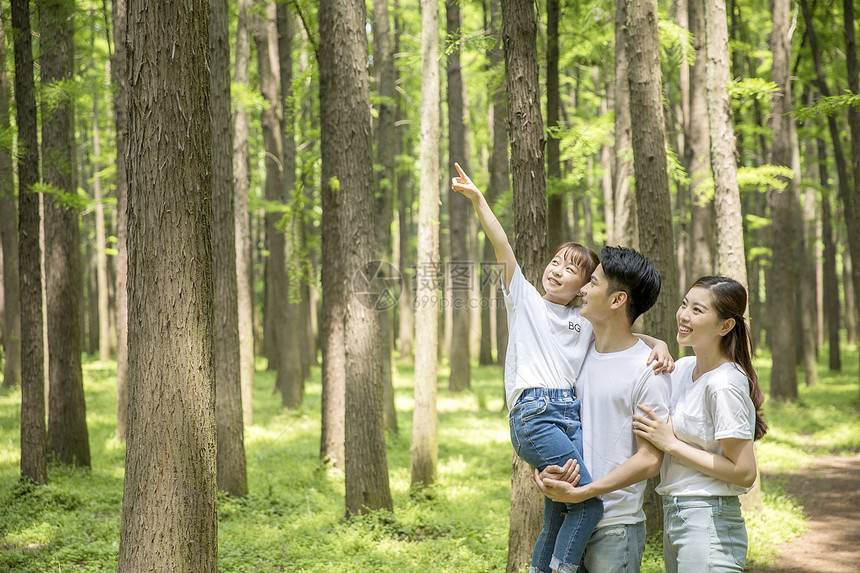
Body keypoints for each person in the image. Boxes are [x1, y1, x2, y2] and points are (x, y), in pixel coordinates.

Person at [451, 164, 672, 573]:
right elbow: (503, 248)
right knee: (585, 504)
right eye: (555, 261)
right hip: (535, 412)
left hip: (565, 415)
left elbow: (625, 338)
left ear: (584, 287)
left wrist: (659, 343)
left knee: (559, 508)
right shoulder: (526, 302)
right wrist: (478, 200)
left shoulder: (583, 323)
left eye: (573, 271)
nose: (557, 270)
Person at [531, 246, 672, 573]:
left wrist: (588, 493)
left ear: (616, 300)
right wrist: (546, 467)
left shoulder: (648, 370)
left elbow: (650, 459)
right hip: (567, 520)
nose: (581, 289)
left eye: (592, 283)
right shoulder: (577, 353)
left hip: (614, 527)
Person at [631, 276, 767, 572]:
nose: (684, 315)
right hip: (677, 514)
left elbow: (744, 473)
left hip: (709, 519)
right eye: (684, 305)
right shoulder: (682, 368)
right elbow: (625, 339)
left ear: (724, 326)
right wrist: (660, 343)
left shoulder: (724, 384)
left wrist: (671, 445)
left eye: (698, 310)